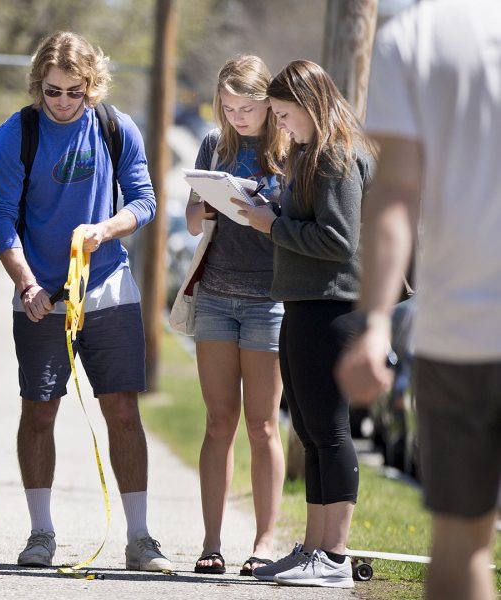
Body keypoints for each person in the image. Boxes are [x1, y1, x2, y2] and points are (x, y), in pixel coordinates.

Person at [0, 31, 172, 572]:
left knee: (122, 410)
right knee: (39, 411)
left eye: (74, 92)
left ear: (92, 86)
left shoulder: (114, 127)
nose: (63, 103)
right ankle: (40, 533)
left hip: (108, 288)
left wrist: (106, 230)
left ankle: (141, 539)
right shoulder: (15, 135)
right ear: (38, 86)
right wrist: (26, 284)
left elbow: (145, 200)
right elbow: (0, 215)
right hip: (40, 293)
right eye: (52, 92)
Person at [336, 2, 501, 599]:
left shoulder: (414, 36)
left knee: (461, 545)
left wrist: (377, 323)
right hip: (458, 334)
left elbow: (397, 193)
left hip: (460, 333)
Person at [237, 60, 376, 589]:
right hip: (302, 302)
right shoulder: (309, 154)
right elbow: (310, 223)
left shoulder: (337, 155)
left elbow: (339, 240)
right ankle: (315, 548)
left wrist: (272, 225)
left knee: (330, 431)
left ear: (308, 104)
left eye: (284, 114)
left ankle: (334, 556)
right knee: (311, 431)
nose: (281, 125)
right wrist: (270, 208)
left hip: (333, 306)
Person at [185, 55, 288, 577]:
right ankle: (211, 541)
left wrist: (264, 211)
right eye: (228, 107)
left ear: (268, 102)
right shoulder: (214, 143)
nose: (238, 117)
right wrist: (206, 206)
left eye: (246, 108)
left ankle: (265, 541)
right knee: (219, 420)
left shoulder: (289, 145)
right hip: (217, 297)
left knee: (263, 423)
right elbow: (188, 219)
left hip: (269, 299)